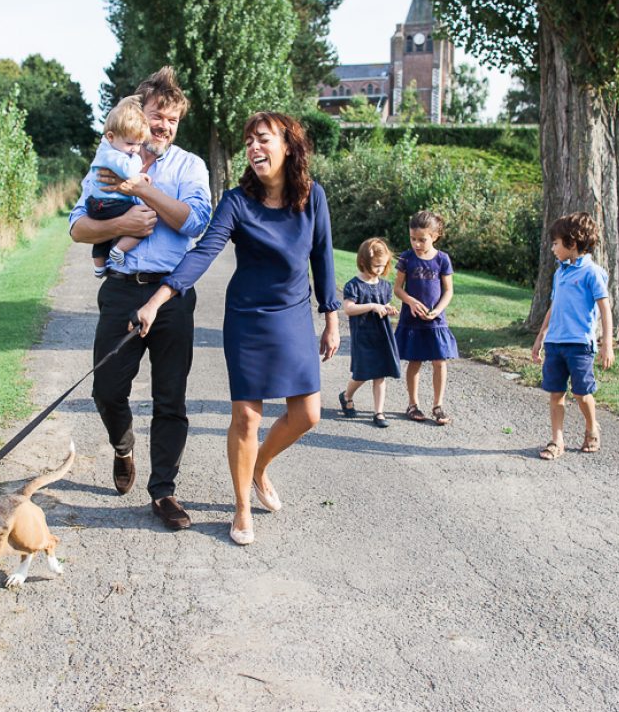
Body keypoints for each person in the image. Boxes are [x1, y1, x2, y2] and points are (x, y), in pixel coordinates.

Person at [134, 112, 340, 546]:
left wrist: (331, 318)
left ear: (288, 146)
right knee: (247, 416)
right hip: (248, 318)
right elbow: (203, 252)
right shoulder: (236, 201)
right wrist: (157, 299)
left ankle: (259, 467)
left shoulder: (313, 197)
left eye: (262, 139)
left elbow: (322, 257)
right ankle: (242, 506)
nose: (253, 148)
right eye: (248, 142)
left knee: (308, 414)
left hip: (295, 316)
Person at [69, 67, 211, 530]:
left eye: (172, 120)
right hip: (121, 291)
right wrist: (121, 226)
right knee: (106, 389)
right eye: (157, 116)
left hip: (172, 293)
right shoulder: (109, 158)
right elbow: (78, 226)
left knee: (171, 398)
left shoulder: (190, 167)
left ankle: (164, 492)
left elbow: (193, 223)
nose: (164, 126)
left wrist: (146, 190)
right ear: (138, 113)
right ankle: (123, 447)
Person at [531, 212, 614, 460]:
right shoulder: (560, 272)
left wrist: (607, 343)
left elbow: (605, 308)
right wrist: (541, 335)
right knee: (556, 393)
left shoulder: (592, 272)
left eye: (556, 243)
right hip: (555, 343)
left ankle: (591, 427)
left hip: (580, 345)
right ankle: (557, 440)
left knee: (581, 393)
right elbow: (554, 305)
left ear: (572, 243)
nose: (553, 247)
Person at [393, 210, 458, 425]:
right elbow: (397, 289)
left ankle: (438, 406)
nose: (417, 244)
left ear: (435, 236)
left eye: (422, 239)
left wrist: (438, 310)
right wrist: (410, 301)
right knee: (415, 360)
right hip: (412, 319)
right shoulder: (406, 258)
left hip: (436, 320)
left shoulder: (442, 259)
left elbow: (448, 291)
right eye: (413, 239)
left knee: (440, 361)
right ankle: (413, 404)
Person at [85, 95, 151, 278]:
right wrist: (138, 160)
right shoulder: (113, 154)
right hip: (110, 203)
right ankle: (119, 249)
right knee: (144, 220)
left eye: (139, 144)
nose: (135, 149)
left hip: (98, 204)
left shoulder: (107, 150)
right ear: (111, 136)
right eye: (130, 144)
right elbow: (128, 171)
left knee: (103, 236)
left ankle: (99, 268)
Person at [338, 237, 400, 428]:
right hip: (363, 336)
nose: (380, 270)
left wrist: (388, 308)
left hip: (382, 335)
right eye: (376, 266)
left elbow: (383, 303)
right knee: (362, 374)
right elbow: (348, 308)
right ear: (363, 262)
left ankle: (378, 412)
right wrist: (372, 306)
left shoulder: (384, 286)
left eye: (383, 266)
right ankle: (347, 395)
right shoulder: (354, 285)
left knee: (380, 374)